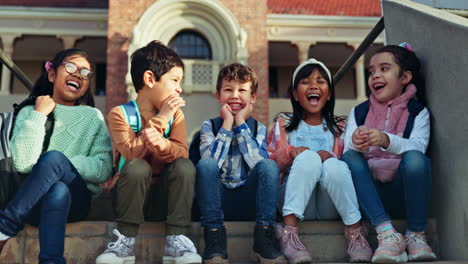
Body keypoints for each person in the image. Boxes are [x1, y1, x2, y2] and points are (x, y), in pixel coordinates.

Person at [0, 48, 113, 264]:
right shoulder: (29, 111)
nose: (78, 74)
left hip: (77, 201)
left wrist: (62, 164)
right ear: (52, 75)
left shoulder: (92, 117)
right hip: (32, 202)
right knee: (57, 188)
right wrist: (39, 115)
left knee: (55, 162)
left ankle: (4, 226)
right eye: (70, 67)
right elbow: (23, 163)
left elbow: (103, 167)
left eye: (86, 73)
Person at [95, 40, 201, 264]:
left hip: (165, 199)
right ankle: (125, 240)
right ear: (150, 79)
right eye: (174, 80)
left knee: (184, 165)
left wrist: (162, 145)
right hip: (129, 199)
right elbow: (131, 155)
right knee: (137, 166)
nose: (179, 88)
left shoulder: (177, 115)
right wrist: (161, 118)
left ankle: (176, 237)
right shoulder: (120, 114)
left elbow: (182, 153)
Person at [267, 58, 372, 264]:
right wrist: (290, 152)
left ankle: (355, 233)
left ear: (329, 93)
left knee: (334, 164)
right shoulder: (283, 124)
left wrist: (331, 156)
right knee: (308, 158)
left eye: (321, 81)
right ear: (295, 94)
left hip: (329, 203)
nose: (314, 85)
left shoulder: (341, 127)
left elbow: (350, 167)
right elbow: (270, 164)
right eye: (305, 81)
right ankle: (289, 233)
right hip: (293, 201)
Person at [341, 43, 436, 263]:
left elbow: (419, 146)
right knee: (349, 157)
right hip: (370, 197)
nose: (375, 75)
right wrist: (357, 142)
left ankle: (415, 234)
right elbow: (347, 148)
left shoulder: (417, 112)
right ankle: (387, 234)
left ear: (405, 77)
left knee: (416, 159)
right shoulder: (360, 111)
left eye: (384, 69)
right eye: (371, 71)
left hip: (403, 192)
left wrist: (386, 140)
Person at [196, 63, 285, 264]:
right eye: (228, 90)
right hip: (218, 202)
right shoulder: (209, 126)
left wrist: (241, 125)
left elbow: (258, 165)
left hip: (250, 201)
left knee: (269, 165)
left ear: (252, 97)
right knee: (205, 165)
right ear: (218, 95)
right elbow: (212, 163)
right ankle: (215, 243)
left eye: (242, 90)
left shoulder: (259, 128)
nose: (235, 95)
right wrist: (227, 124)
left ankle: (263, 241)